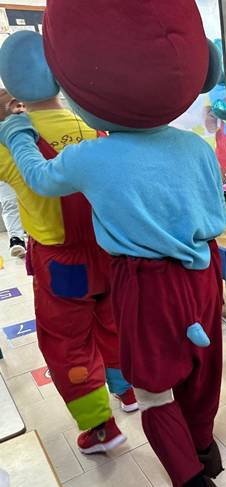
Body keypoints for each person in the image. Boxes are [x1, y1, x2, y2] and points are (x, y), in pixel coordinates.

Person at [0, 6, 226, 487]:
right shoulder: (196, 147)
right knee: (203, 367)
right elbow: (212, 209)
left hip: (146, 281)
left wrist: (17, 132)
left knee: (154, 389)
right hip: (202, 270)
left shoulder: (93, 156)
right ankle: (205, 449)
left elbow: (39, 178)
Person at [0, 34, 136, 455]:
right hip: (108, 250)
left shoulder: (13, 139)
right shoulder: (96, 128)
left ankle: (100, 428)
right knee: (111, 322)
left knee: (67, 341)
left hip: (61, 265)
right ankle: (127, 390)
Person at [0, 96, 26, 258]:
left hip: (24, 165)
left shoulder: (22, 121)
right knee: (9, 202)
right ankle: (16, 239)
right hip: (5, 169)